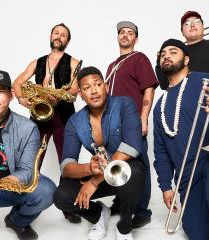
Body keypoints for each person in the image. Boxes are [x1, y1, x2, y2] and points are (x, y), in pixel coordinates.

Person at [153, 39, 209, 240]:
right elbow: (161, 150)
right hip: (189, 178)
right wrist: (166, 186)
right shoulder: (159, 107)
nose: (166, 55)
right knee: (197, 232)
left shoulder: (208, 81)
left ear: (186, 59)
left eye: (173, 51)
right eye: (162, 53)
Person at [53, 66, 145, 240]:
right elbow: (66, 166)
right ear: (80, 94)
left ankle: (124, 226)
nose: (93, 91)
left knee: (136, 172)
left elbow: (132, 146)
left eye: (97, 84)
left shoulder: (125, 104)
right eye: (87, 88)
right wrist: (89, 169)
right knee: (61, 196)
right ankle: (99, 214)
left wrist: (95, 181)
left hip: (122, 172)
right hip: (99, 171)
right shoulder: (74, 121)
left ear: (106, 86)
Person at [12, 23, 81, 223]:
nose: (59, 36)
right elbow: (17, 83)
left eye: (63, 34)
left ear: (68, 40)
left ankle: (67, 205)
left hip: (64, 118)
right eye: (56, 33)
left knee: (67, 162)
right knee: (32, 162)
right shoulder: (37, 62)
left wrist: (57, 97)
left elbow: (75, 90)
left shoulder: (74, 62)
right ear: (51, 36)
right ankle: (24, 203)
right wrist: (22, 99)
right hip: (40, 117)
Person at [105, 20, 158, 228]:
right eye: (122, 32)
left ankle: (143, 210)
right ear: (118, 37)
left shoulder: (139, 58)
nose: (125, 35)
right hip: (112, 125)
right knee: (116, 163)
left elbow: (149, 89)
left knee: (140, 165)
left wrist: (144, 118)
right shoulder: (111, 66)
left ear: (135, 38)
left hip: (132, 123)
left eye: (130, 33)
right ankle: (121, 201)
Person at [0, 70, 56, 240]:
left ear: (11, 95)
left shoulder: (28, 128)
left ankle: (16, 221)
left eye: (0, 91)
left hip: (10, 187)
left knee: (46, 191)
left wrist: (11, 180)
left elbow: (26, 170)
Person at [156, 11, 209, 90]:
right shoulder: (177, 54)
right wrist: (160, 59)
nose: (192, 25)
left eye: (197, 21)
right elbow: (165, 85)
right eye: (187, 24)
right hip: (188, 102)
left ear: (203, 28)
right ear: (182, 32)